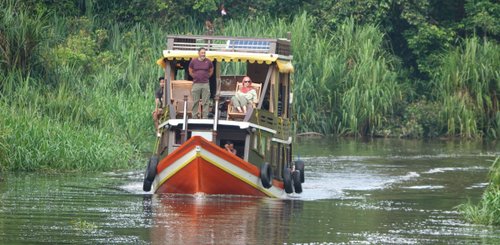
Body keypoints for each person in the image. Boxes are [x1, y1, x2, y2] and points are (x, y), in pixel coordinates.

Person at [189, 47, 213, 119]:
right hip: (196, 83)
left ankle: (205, 117)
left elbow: (211, 70)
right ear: (198, 53)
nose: (203, 54)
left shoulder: (208, 61)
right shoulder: (193, 61)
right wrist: (195, 76)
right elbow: (190, 70)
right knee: (195, 101)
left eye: (204, 53)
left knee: (205, 101)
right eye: (202, 53)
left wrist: (207, 76)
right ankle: (194, 116)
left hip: (205, 83)